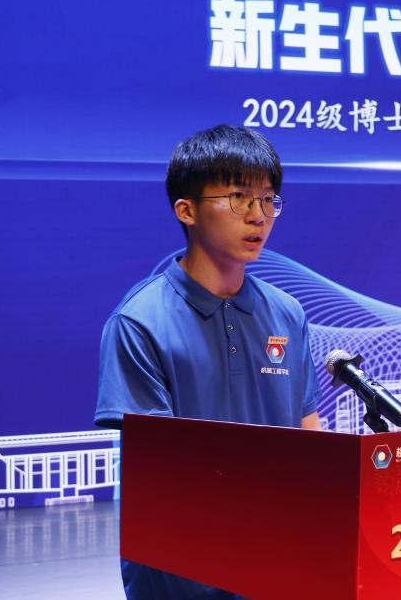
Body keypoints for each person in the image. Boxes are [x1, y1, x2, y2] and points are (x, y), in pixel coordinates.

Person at [94, 124, 321, 599]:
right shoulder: (140, 321)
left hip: (279, 562)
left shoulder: (288, 313)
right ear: (187, 210)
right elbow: (160, 473)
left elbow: (309, 435)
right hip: (182, 573)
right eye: (239, 197)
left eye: (268, 199)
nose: (258, 216)